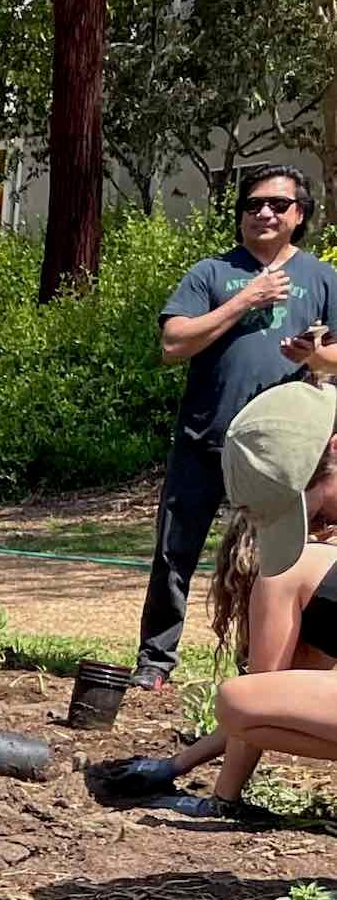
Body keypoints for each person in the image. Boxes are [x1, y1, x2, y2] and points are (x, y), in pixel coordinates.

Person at [131, 164, 337, 691]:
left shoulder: (322, 279)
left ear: (299, 215)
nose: (263, 213)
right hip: (204, 439)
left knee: (275, 559)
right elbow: (174, 343)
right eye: (252, 205)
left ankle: (260, 668)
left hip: (284, 456)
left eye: (277, 205)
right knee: (174, 553)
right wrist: (246, 298)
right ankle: (155, 662)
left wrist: (317, 356)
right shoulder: (211, 273)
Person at [125, 377, 337, 818]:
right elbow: (297, 703)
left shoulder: (295, 571)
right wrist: (177, 765)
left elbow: (261, 702)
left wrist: (221, 802)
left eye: (308, 506)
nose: (320, 517)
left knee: (240, 699)